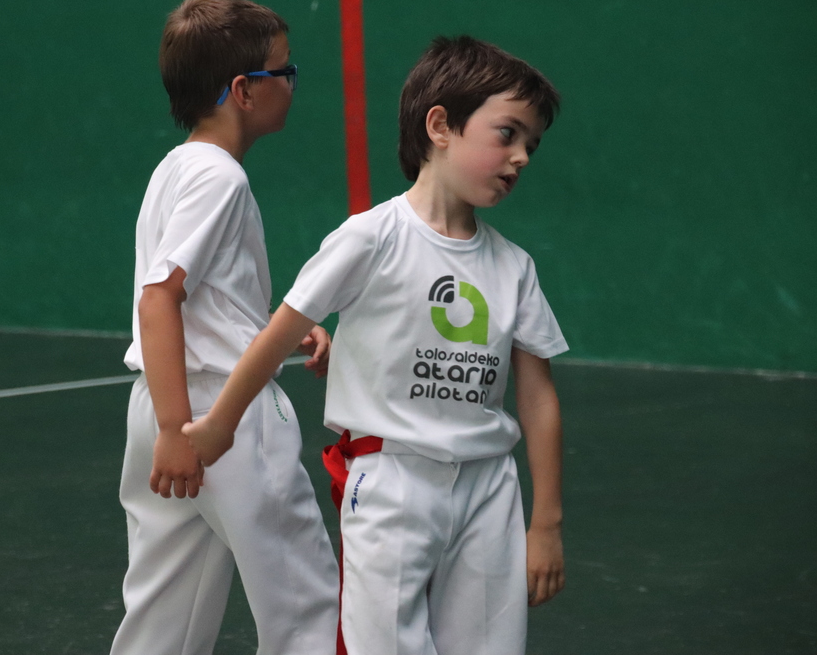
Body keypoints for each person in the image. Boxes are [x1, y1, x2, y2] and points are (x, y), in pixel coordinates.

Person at [184, 35, 569, 655]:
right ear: (440, 126)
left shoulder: (515, 267)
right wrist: (218, 425)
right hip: (390, 482)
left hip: (489, 489)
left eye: (533, 144)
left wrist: (545, 523)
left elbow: (539, 397)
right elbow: (278, 334)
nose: (521, 156)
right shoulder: (370, 238)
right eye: (508, 134)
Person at [110, 0, 340, 655]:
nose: (292, 84)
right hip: (219, 421)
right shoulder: (220, 180)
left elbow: (206, 297)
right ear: (243, 90)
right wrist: (181, 430)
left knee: (163, 620)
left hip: (157, 408)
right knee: (307, 614)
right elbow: (160, 298)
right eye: (284, 72)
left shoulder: (176, 168)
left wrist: (277, 328)